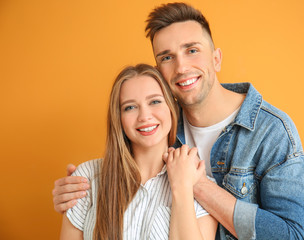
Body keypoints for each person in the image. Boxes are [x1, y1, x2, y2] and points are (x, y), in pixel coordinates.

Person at [53, 3, 304, 239]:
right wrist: (80, 193)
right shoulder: (158, 124)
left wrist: (195, 185)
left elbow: (294, 236)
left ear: (216, 58)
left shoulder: (271, 131)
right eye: (166, 57)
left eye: (192, 50)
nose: (181, 67)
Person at [59, 64, 218, 240]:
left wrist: (182, 187)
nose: (144, 116)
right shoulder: (87, 178)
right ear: (118, 118)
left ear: (171, 108)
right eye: (130, 107)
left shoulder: (199, 183)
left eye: (155, 101)